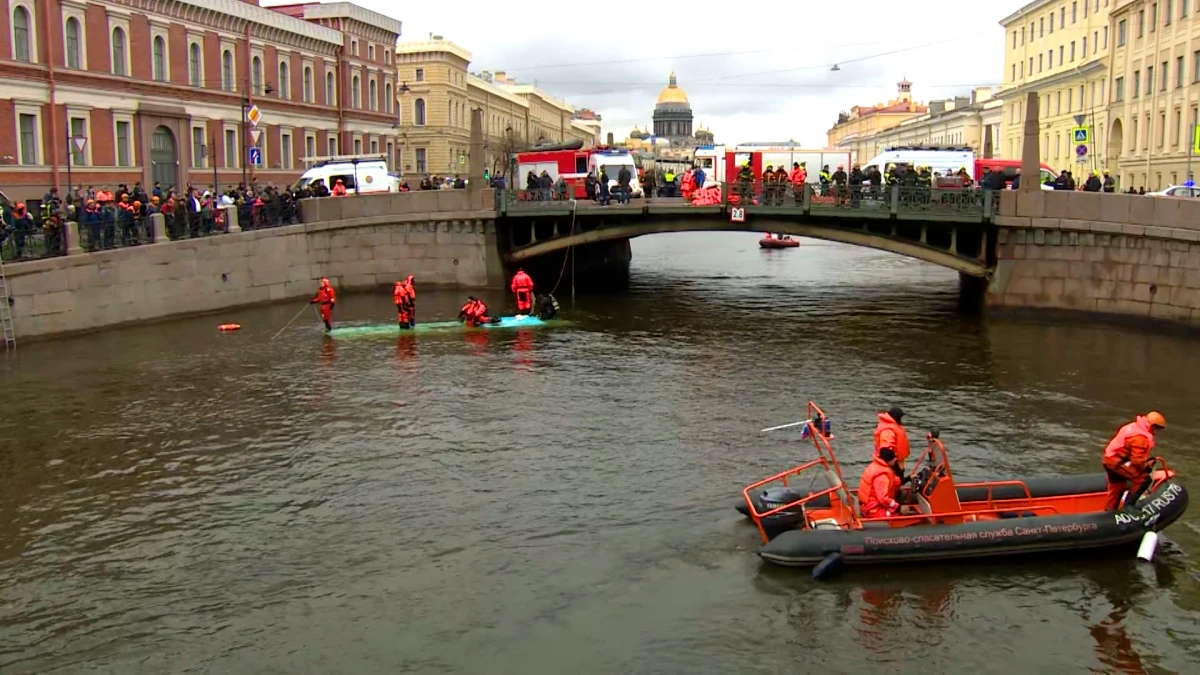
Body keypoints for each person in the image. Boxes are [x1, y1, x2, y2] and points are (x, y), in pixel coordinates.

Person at [1102, 412, 1166, 510]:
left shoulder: (1133, 426)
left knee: (1117, 486)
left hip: (1109, 459)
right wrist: (1146, 467)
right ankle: (1129, 508)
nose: (1156, 432)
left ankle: (1109, 511)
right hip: (1116, 463)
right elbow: (1137, 461)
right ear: (1152, 426)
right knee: (1143, 479)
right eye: (1156, 429)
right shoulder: (1140, 438)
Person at [858, 448, 903, 518]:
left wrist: (906, 479)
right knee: (898, 515)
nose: (895, 459)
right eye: (893, 458)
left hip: (868, 505)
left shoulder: (877, 466)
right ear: (888, 460)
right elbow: (883, 499)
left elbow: (893, 480)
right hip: (873, 509)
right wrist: (898, 508)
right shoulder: (881, 476)